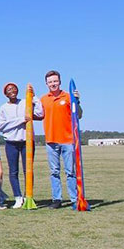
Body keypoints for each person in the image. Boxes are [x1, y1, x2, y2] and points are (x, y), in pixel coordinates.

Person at [0, 82, 43, 208]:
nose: (12, 91)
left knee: (28, 170)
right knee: (13, 171)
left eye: (14, 88)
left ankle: (29, 195)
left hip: (27, 141)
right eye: (9, 90)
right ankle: (18, 197)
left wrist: (35, 97)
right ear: (5, 94)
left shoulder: (25, 102)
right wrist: (21, 120)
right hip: (11, 143)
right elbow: (2, 126)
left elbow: (39, 114)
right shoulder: (3, 108)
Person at [39, 70, 82, 209]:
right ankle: (56, 199)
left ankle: (74, 199)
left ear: (59, 82)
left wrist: (77, 101)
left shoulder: (68, 96)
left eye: (55, 81)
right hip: (51, 141)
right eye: (50, 82)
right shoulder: (43, 99)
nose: (53, 84)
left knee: (70, 172)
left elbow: (79, 115)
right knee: (54, 172)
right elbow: (37, 115)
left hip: (68, 140)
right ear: (46, 84)